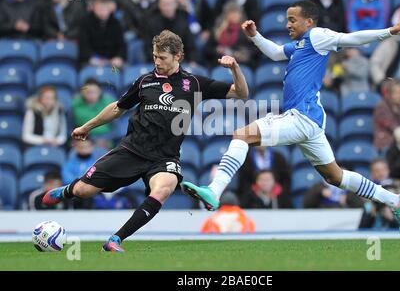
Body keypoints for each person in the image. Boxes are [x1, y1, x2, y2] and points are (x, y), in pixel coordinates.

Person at [182, 0, 400, 235]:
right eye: (287, 19)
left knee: (243, 135)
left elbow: (351, 38)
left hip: (302, 117)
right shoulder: (301, 44)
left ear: (309, 21)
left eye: (293, 20)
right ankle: (396, 201)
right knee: (336, 177)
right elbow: (274, 53)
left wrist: (390, 31)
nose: (287, 24)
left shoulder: (318, 36)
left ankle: (214, 190)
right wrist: (255, 35)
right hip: (310, 122)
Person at [42, 30, 249, 252]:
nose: (157, 62)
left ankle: (116, 239)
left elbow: (241, 93)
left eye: (162, 58)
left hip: (164, 157)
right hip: (132, 150)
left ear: (178, 56)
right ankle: (67, 191)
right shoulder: (145, 82)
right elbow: (117, 108)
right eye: (154, 57)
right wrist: (87, 127)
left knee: (164, 188)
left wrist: (235, 69)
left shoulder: (195, 83)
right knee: (84, 190)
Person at [204, 2, 257, 69]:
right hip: (220, 64)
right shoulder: (217, 30)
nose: (235, 15)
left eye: (237, 13)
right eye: (232, 13)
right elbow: (207, 50)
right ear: (226, 14)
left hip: (242, 64)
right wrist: (217, 50)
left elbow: (255, 50)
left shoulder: (247, 30)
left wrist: (243, 53)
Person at [79, 0, 126, 68]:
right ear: (94, 9)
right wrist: (93, 59)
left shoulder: (116, 23)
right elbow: (84, 46)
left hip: (112, 63)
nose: (102, 12)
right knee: (89, 74)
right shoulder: (86, 23)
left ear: (110, 9)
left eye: (105, 9)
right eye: (99, 9)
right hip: (91, 62)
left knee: (116, 72)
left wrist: (118, 58)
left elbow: (121, 45)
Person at [72, 78, 115, 147]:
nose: (91, 95)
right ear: (82, 92)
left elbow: (116, 126)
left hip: (105, 139)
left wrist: (108, 138)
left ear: (100, 91)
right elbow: (72, 125)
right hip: (82, 140)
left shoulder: (109, 103)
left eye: (94, 92)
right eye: (88, 92)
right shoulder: (75, 104)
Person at [358, 159, 399, 229]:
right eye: (377, 171)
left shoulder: (398, 188)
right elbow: (361, 229)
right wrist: (370, 215)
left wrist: (392, 219)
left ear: (388, 171)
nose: (381, 173)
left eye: (383, 170)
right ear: (372, 174)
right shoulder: (365, 192)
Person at [373, 79, 400, 152]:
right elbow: (393, 126)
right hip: (385, 143)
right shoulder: (381, 107)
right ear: (389, 93)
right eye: (395, 93)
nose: (398, 96)